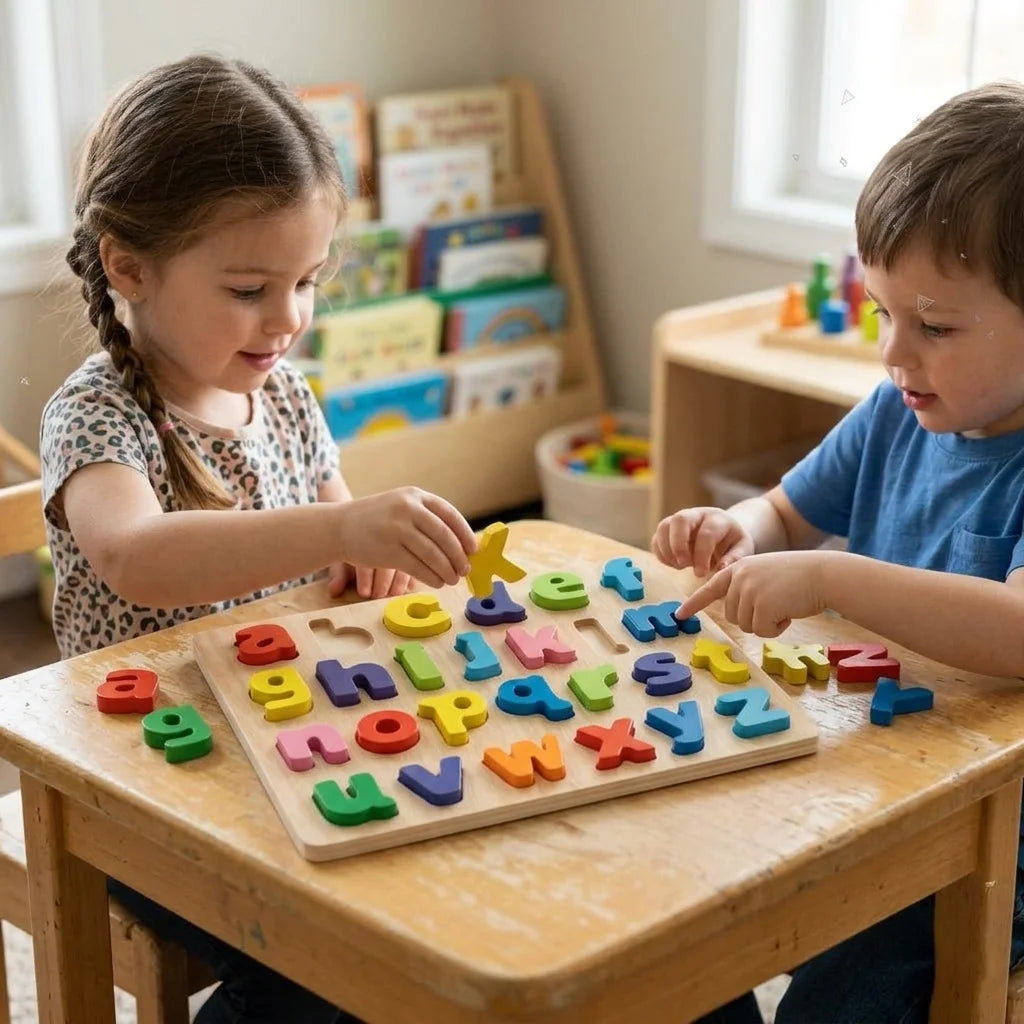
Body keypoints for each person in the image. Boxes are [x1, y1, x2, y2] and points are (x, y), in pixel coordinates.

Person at [41, 52, 476, 1023]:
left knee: (429, 897)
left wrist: (365, 549)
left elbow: (341, 549)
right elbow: (135, 558)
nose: (288, 319)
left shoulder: (276, 390)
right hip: (142, 790)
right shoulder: (98, 414)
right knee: (318, 964)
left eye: (309, 281)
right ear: (128, 265)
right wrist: (340, 522)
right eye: (249, 288)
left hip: (283, 740)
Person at [653, 80, 1024, 1024]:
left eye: (934, 327)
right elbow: (786, 512)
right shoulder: (898, 412)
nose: (895, 355)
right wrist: (739, 536)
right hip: (871, 777)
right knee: (676, 916)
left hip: (995, 843)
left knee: (842, 993)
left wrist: (826, 573)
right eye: (882, 313)